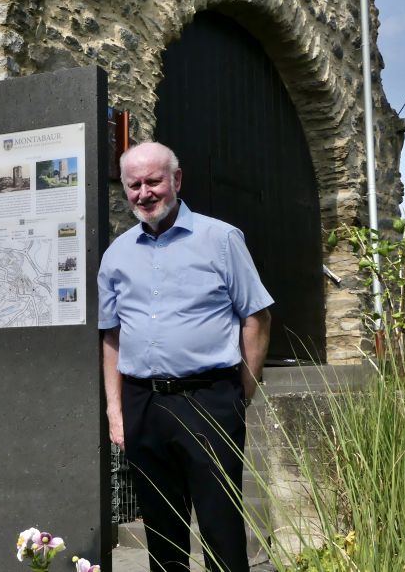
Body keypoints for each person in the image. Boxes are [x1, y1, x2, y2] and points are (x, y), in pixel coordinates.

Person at [97, 143, 273, 572]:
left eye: (153, 181)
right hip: (144, 403)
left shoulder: (221, 239)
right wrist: (115, 409)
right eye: (134, 184)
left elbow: (257, 317)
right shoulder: (116, 254)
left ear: (176, 180)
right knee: (161, 527)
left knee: (220, 525)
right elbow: (111, 336)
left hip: (209, 397)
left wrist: (239, 392)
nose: (144, 193)